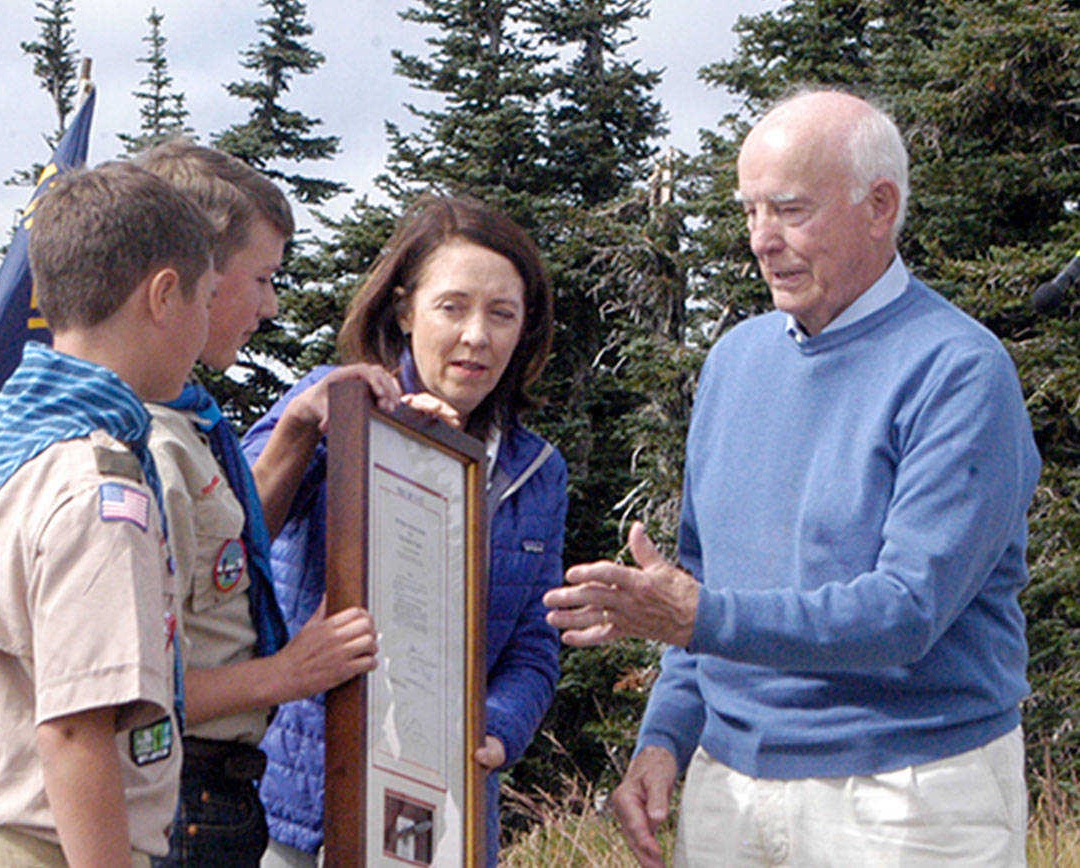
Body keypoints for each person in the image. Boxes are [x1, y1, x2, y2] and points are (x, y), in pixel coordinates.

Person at [544, 89, 1040, 867]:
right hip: (726, 789)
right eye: (749, 212)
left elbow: (906, 613)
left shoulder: (962, 371)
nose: (761, 241)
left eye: (789, 209)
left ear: (881, 206)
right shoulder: (734, 362)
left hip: (910, 797)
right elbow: (703, 578)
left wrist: (695, 616)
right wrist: (666, 737)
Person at [0, 160, 217, 866]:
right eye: (207, 299)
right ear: (164, 295)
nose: (206, 327)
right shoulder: (100, 489)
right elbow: (74, 732)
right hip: (46, 847)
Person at [243, 195, 569, 868]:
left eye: (502, 314)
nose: (477, 336)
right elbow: (226, 541)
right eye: (453, 307)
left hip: (439, 817)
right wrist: (313, 427)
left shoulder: (537, 471)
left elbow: (535, 646)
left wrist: (494, 733)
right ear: (403, 309)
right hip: (293, 815)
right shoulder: (336, 406)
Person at [136, 140, 379, 867]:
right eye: (262, 279)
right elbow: (124, 687)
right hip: (172, 793)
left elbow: (226, 560)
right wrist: (288, 674)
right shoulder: (139, 445)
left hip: (221, 795)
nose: (269, 305)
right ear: (194, 276)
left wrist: (299, 430)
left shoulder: (192, 422)